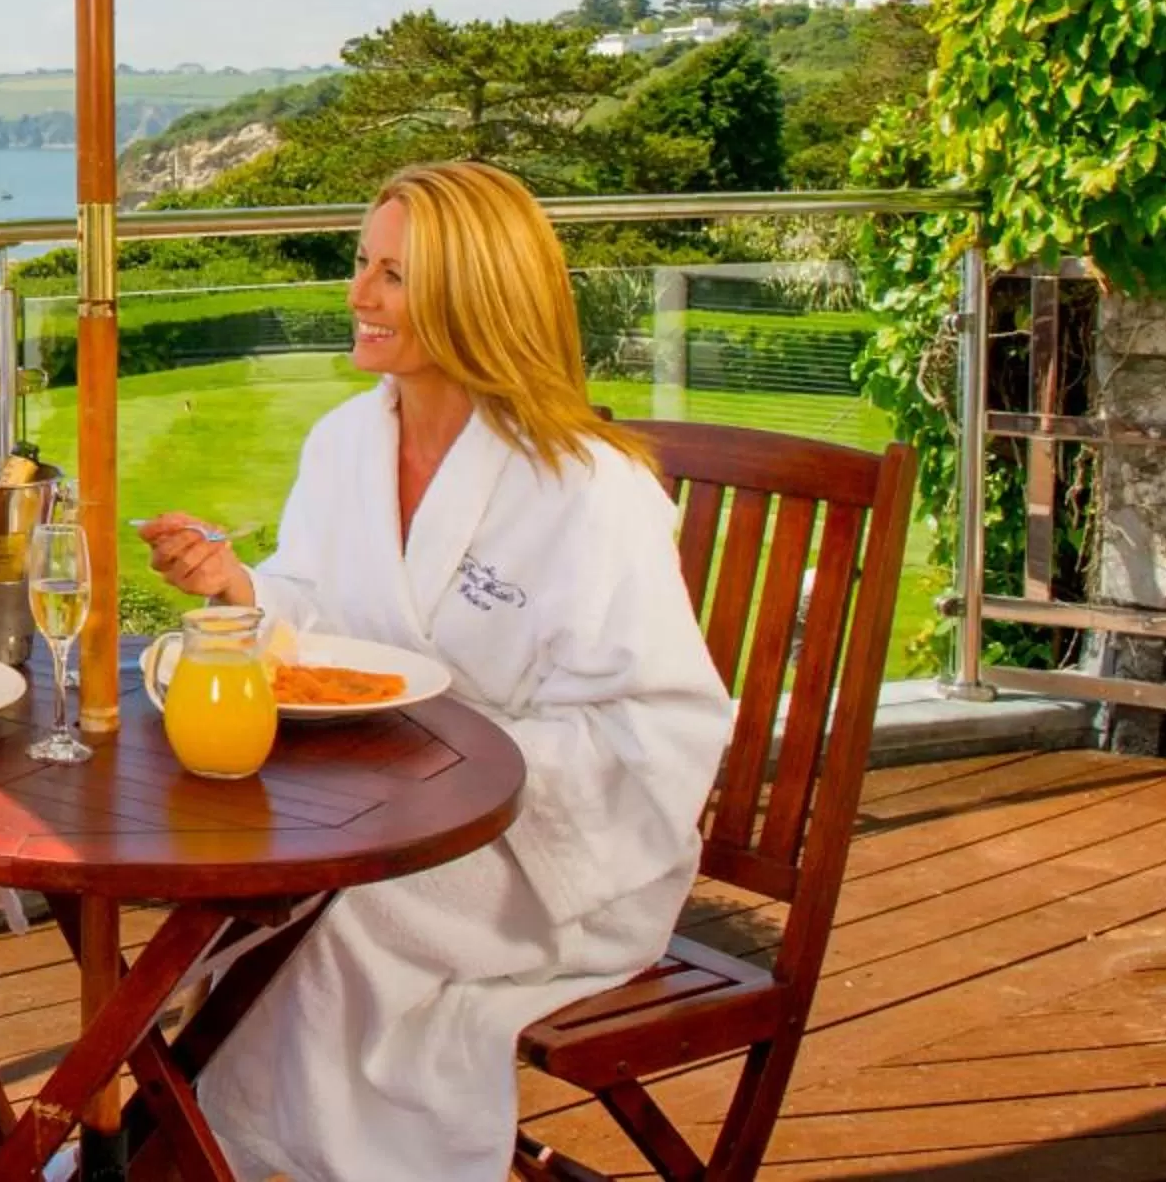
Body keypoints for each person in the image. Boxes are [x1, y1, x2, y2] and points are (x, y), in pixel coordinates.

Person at [138, 160, 733, 1182]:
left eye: (395, 276)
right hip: (373, 811)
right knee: (242, 901)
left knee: (337, 920)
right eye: (361, 264)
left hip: (550, 851)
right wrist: (239, 593)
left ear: (478, 294)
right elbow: (316, 611)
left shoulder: (588, 489)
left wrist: (448, 763)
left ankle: (237, 1161)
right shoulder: (344, 443)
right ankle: (200, 1153)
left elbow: (658, 729)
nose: (358, 296)